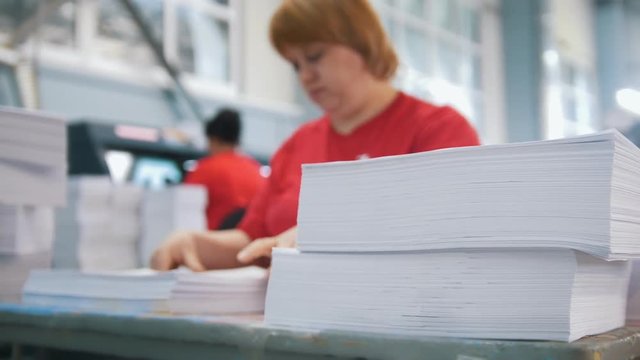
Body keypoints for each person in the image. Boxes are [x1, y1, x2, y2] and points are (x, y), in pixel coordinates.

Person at [151, 0, 480, 271]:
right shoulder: (298, 144)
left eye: (314, 56)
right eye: (294, 64)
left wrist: (323, 234)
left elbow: (448, 232)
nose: (305, 76)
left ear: (360, 41)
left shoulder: (438, 129)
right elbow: (252, 240)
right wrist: (195, 243)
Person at [184, 108, 265, 231]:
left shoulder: (204, 170)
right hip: (250, 244)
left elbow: (185, 210)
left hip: (213, 244)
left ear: (213, 139)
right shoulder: (257, 170)